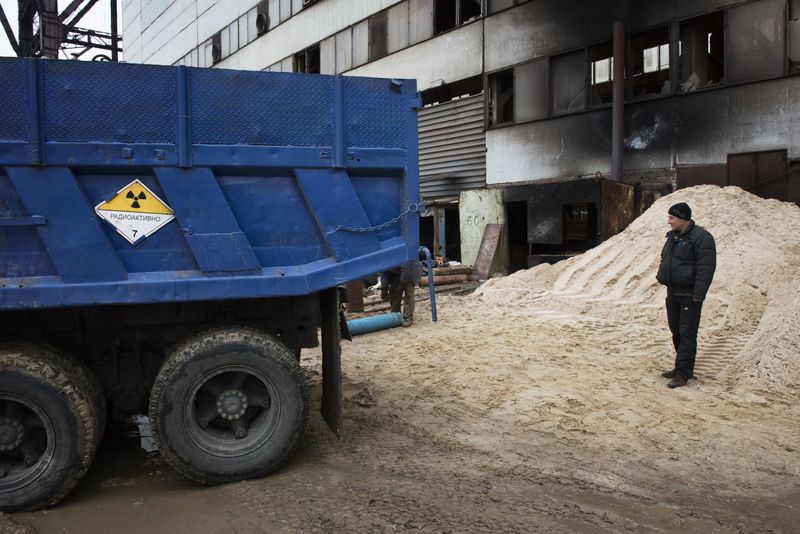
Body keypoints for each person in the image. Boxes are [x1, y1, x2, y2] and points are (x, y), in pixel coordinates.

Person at [656, 202, 716, 388]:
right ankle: (679, 366)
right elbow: (666, 259)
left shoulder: (702, 238)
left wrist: (698, 294)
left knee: (687, 333)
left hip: (689, 295)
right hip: (673, 292)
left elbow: (706, 268)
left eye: (671, 218)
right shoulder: (672, 237)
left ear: (682, 218)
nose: (669, 221)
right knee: (676, 332)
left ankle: (684, 373)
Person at [385, 260, 422, 327]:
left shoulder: (403, 254)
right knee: (394, 292)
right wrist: (384, 288)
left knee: (409, 294)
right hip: (396, 272)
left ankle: (407, 317)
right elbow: (384, 273)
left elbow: (406, 268)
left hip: (411, 270)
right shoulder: (384, 259)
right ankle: (396, 315)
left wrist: (402, 284)